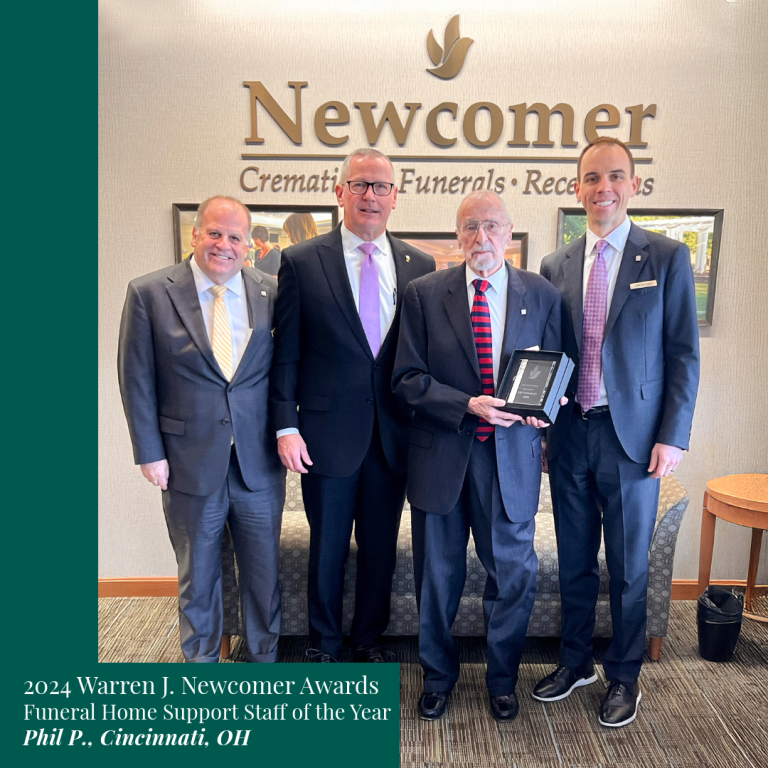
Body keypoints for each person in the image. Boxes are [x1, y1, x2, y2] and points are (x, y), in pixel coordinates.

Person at [536, 138, 700, 726]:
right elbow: (548, 356)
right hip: (571, 434)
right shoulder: (555, 265)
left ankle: (624, 676)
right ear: (576, 188)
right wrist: (542, 428)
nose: (602, 188)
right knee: (575, 561)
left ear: (633, 185)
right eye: (591, 178)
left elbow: (683, 354)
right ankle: (576, 661)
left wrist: (673, 435)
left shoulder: (666, 257)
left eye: (614, 177)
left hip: (633, 441)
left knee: (629, 568)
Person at [392, 190, 563, 722]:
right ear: (458, 234)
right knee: (436, 579)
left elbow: (556, 369)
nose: (480, 237)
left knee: (513, 577)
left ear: (508, 232)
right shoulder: (424, 293)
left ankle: (502, 681)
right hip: (442, 457)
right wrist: (466, 404)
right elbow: (406, 379)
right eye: (470, 227)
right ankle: (437, 678)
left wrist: (547, 409)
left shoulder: (542, 293)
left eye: (491, 226)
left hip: (510, 462)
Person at [271, 148, 434, 663]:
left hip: (393, 435)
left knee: (380, 547)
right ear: (340, 192)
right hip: (326, 434)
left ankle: (368, 639)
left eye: (381, 186)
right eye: (360, 184)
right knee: (328, 546)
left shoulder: (419, 265)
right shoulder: (302, 261)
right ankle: (323, 643)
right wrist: (285, 425)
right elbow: (286, 353)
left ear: (395, 197)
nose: (370, 195)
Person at [118, 196, 285, 663]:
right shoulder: (150, 292)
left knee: (263, 576)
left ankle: (265, 662)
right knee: (199, 576)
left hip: (257, 463)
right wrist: (149, 452)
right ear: (195, 234)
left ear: (249, 245)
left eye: (235, 237)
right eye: (214, 233)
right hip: (187, 462)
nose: (223, 245)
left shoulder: (271, 291)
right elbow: (136, 378)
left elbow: (283, 372)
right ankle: (202, 670)